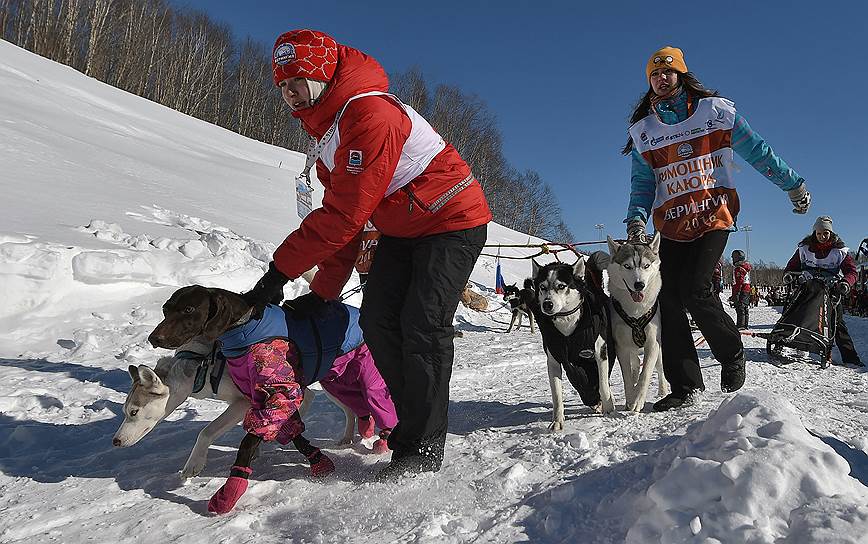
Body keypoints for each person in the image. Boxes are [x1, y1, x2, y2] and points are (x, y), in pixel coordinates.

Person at [242, 29, 491, 478]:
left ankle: (423, 445)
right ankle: (409, 425)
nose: (288, 92)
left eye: (295, 79)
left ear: (319, 74)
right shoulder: (329, 137)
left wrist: (277, 274)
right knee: (376, 321)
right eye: (281, 85)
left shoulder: (370, 114)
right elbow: (345, 224)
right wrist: (323, 293)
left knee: (422, 324)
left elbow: (343, 218)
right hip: (401, 228)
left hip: (451, 220)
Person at [622, 46, 811, 411]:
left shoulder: (716, 113)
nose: (662, 79)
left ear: (681, 75)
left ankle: (731, 351)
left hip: (714, 215)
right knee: (667, 298)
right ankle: (686, 385)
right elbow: (643, 184)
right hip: (672, 223)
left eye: (669, 72)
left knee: (696, 289)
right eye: (655, 75)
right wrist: (635, 219)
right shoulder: (644, 132)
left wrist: (793, 184)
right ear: (649, 82)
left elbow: (757, 150)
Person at [784, 216, 863, 366]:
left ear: (831, 234)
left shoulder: (840, 251)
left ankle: (850, 358)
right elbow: (791, 266)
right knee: (796, 314)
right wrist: (788, 275)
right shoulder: (804, 249)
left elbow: (852, 272)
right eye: (819, 233)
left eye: (826, 233)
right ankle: (790, 344)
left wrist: (846, 282)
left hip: (831, 291)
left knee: (836, 323)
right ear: (814, 233)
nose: (822, 237)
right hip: (807, 289)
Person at [730, 250, 752, 329]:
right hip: (747, 289)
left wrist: (736, 293)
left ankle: (741, 325)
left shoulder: (739, 269)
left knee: (740, 307)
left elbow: (739, 282)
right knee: (744, 307)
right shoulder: (745, 267)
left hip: (741, 289)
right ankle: (745, 324)